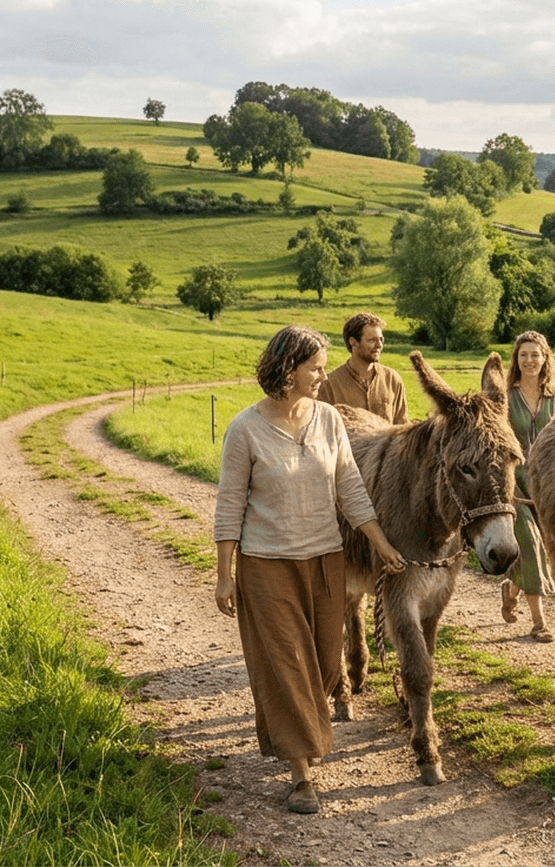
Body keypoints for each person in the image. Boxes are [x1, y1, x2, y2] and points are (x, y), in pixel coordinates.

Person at [213, 325, 404, 815]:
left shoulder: (328, 420)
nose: (324, 375)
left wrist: (380, 543)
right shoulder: (246, 428)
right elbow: (230, 504)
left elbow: (350, 488)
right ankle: (301, 775)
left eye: (322, 366)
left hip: (325, 558)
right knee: (286, 663)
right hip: (265, 564)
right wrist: (224, 573)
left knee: (321, 661)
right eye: (315, 367)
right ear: (286, 369)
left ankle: (299, 728)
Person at [500, 330, 555, 641]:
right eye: (523, 355)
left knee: (549, 546)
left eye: (535, 354)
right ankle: (540, 622)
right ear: (516, 359)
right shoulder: (504, 395)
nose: (529, 360)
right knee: (528, 543)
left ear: (545, 358)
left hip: (548, 483)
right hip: (514, 481)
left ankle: (512, 588)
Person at [316, 311, 409, 425]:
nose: (379, 345)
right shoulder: (329, 385)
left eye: (381, 339)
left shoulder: (392, 380)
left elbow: (402, 425)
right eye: (372, 340)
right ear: (353, 342)